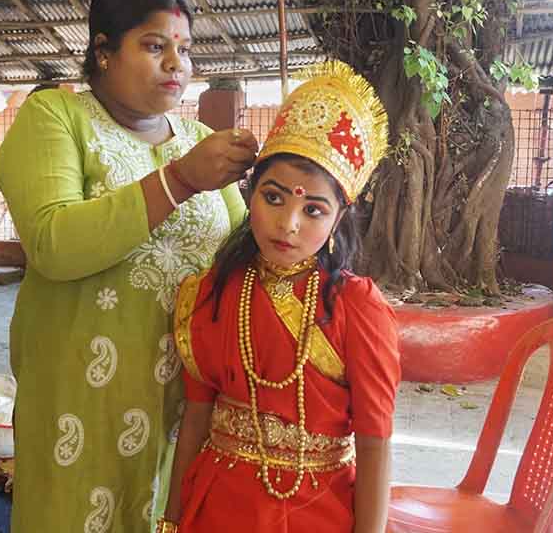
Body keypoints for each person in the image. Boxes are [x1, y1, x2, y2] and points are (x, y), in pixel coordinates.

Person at [0, 0, 258, 533]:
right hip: (79, 394)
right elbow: (53, 243)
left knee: (167, 511)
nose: (176, 65)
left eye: (184, 50)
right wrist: (181, 181)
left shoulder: (196, 140)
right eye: (154, 45)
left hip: (188, 400)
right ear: (104, 52)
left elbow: (244, 256)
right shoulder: (56, 118)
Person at [160, 61, 401, 533]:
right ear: (250, 198)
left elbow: (375, 442)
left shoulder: (358, 308)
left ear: (337, 222)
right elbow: (196, 418)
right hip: (217, 508)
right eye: (273, 198)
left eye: (313, 209)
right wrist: (171, 520)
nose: (288, 223)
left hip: (320, 510)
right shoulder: (210, 291)